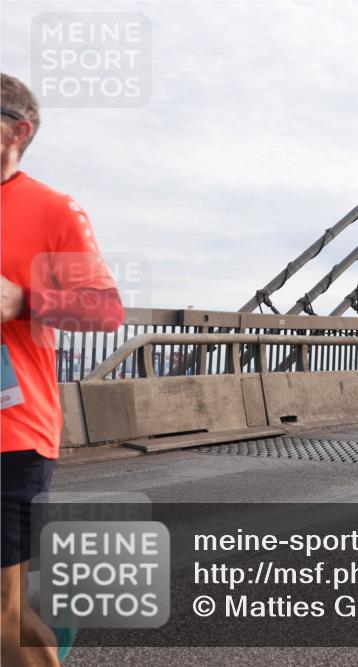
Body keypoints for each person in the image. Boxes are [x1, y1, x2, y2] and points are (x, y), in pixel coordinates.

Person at [1, 73, 124, 666]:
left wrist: (25, 300)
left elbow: (106, 309)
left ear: (17, 132)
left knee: (1, 605)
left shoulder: (51, 210)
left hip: (13, 430)